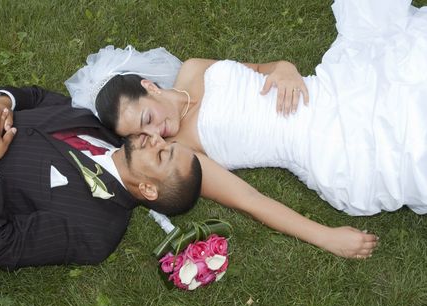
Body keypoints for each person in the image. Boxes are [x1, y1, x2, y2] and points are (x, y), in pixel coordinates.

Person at [66, 0, 427, 259]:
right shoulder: (185, 150)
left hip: (331, 88)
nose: (157, 133)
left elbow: (261, 67)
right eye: (142, 135)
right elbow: (251, 201)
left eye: (147, 119)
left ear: (150, 86)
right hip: (328, 145)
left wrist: (284, 68)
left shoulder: (194, 68)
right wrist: (327, 237)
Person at [0, 81, 202, 269]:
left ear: (149, 189)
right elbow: (37, 96)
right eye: (167, 143)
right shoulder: (101, 130)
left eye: (162, 154)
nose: (155, 138)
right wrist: (1, 104)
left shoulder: (95, 230)